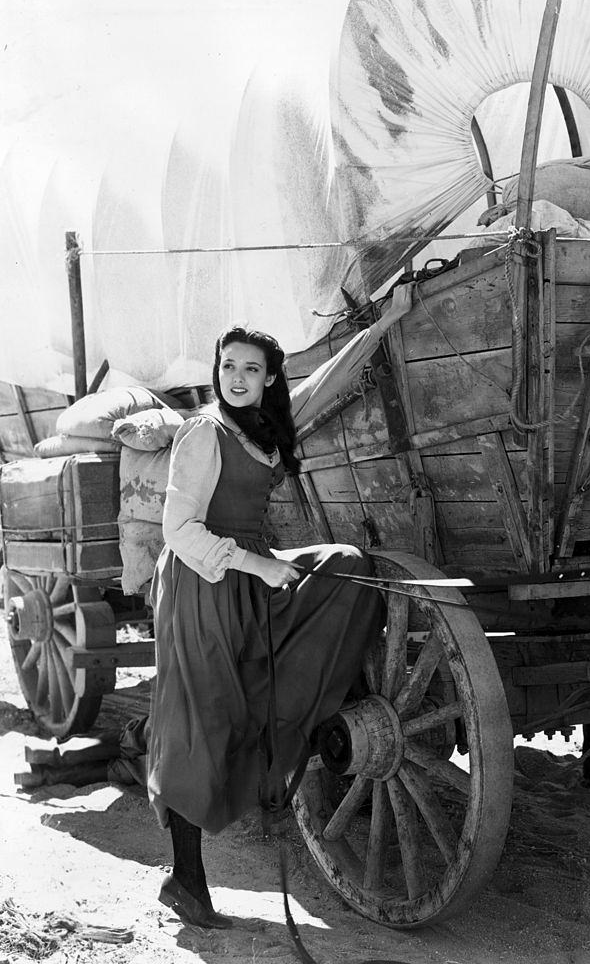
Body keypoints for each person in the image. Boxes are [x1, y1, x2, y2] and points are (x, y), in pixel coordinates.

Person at [148, 284, 414, 928]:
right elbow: (178, 530)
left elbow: (325, 384)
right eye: (227, 366)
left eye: (251, 369)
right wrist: (260, 564)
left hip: (245, 582)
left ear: (270, 380)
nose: (236, 379)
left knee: (346, 565)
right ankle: (185, 880)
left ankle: (296, 741)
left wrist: (388, 321)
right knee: (204, 722)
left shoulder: (263, 434)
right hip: (201, 587)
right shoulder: (202, 434)